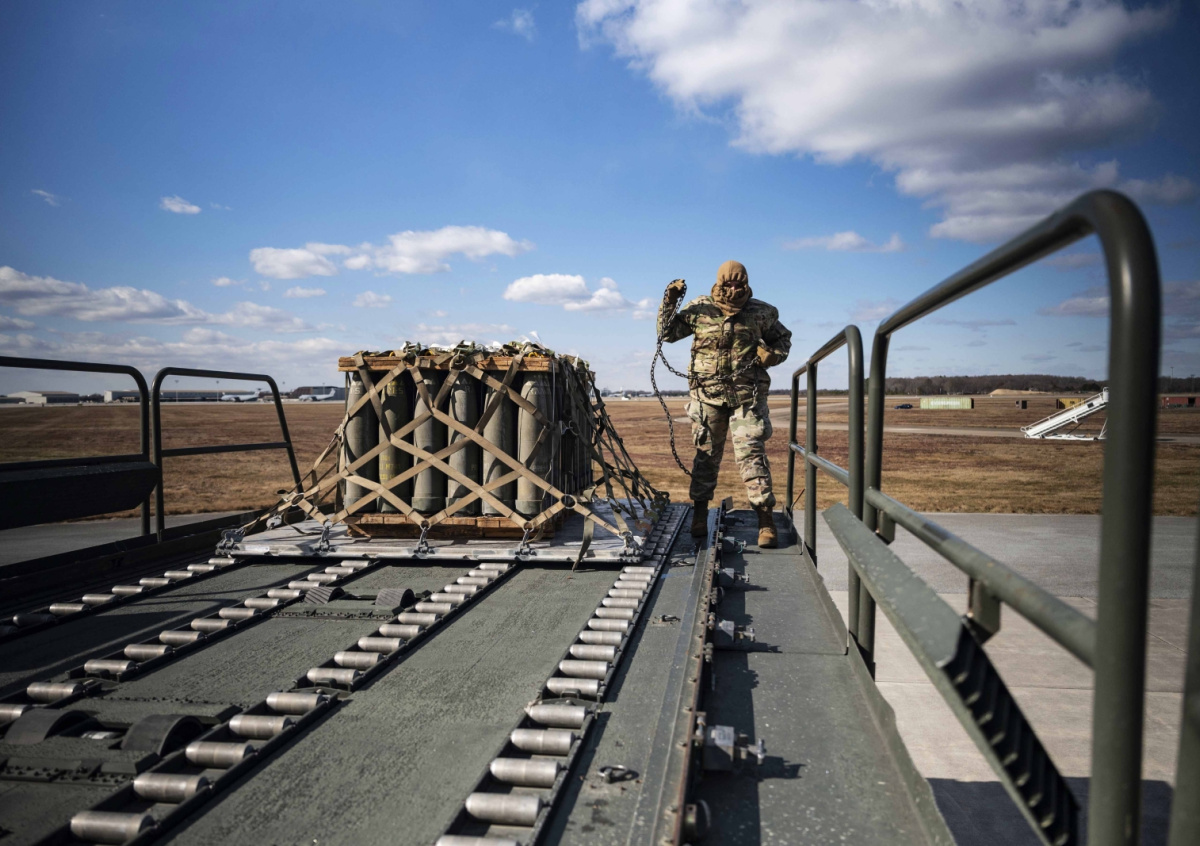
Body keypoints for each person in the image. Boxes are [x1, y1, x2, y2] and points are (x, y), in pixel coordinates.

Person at [658, 260, 792, 547]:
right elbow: (667, 334)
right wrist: (669, 303)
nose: (733, 288)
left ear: (746, 283)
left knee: (752, 455)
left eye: (738, 283)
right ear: (719, 283)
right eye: (727, 283)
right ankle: (699, 514)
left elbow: (783, 340)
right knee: (706, 457)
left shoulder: (762, 312)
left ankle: (765, 520)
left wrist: (773, 355)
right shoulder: (700, 309)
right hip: (707, 396)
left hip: (747, 396)